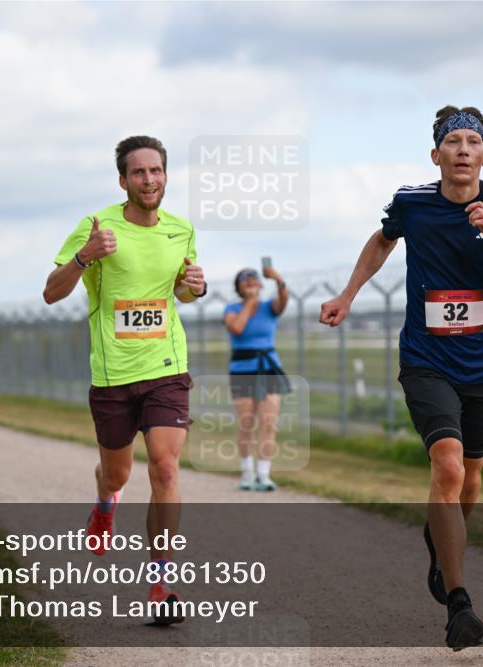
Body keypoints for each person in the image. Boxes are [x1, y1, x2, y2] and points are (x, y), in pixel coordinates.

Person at [319, 105, 483, 651]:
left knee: (469, 480)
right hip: (426, 360)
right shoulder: (413, 203)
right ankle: (459, 601)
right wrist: (348, 294)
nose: (463, 149)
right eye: (453, 141)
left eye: (473, 141)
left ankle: (439, 538)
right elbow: (383, 239)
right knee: (446, 465)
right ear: (436, 154)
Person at [43, 135, 207, 626]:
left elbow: (181, 292)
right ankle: (105, 502)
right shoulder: (96, 227)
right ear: (123, 181)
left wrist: (194, 287)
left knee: (165, 468)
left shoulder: (181, 229)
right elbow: (51, 293)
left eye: (156, 170)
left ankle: (161, 583)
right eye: (139, 172)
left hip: (166, 368)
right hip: (114, 376)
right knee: (117, 474)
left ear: (166, 176)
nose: (149, 179)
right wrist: (85, 256)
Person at [222, 264, 291, 491]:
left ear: (261, 284)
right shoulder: (231, 309)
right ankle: (247, 473)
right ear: (238, 288)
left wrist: (277, 277)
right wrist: (250, 303)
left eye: (254, 277)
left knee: (268, 423)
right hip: (242, 370)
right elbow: (237, 328)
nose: (251, 280)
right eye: (245, 279)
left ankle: (264, 474)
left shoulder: (269, 307)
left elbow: (284, 300)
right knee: (246, 423)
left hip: (269, 367)